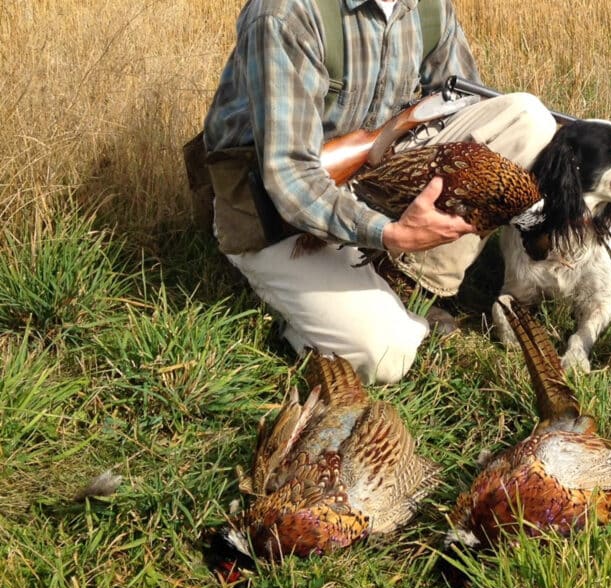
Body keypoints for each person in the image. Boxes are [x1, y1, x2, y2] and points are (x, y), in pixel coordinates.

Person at [201, 0, 556, 384]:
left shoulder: (427, 7)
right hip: (270, 206)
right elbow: (289, 174)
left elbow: (463, 102)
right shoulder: (287, 14)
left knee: (527, 118)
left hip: (373, 172)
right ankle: (302, 306)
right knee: (387, 353)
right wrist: (390, 234)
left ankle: (411, 285)